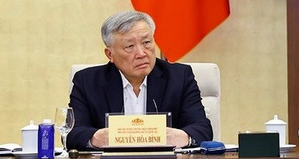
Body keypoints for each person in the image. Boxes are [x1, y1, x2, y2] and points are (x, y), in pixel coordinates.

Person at [66, 10, 212, 150]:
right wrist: (98, 138)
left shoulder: (179, 77)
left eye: (147, 42)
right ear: (110, 54)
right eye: (130, 46)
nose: (141, 53)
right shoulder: (87, 82)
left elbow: (202, 129)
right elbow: (72, 134)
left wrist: (177, 137)